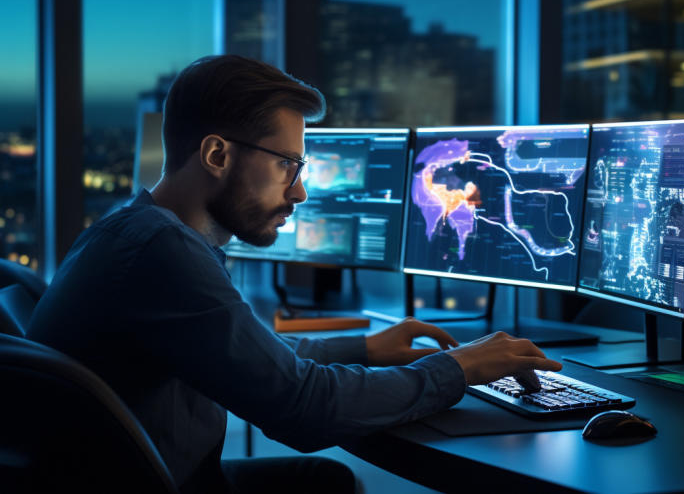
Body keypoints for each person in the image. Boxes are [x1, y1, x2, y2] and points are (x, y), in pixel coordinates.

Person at [27, 55, 562, 494]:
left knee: (325, 483)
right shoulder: (162, 253)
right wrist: (457, 369)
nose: (300, 191)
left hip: (158, 479)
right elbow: (302, 409)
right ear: (216, 153)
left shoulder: (136, 229)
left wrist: (369, 348)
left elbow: (261, 359)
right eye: (289, 164)